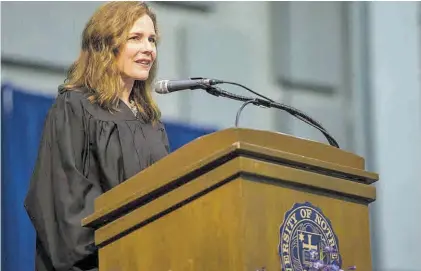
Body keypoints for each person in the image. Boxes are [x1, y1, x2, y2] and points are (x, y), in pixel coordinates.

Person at [24, 2, 170, 270]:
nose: (149, 49)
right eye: (135, 38)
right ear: (106, 43)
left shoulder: (151, 123)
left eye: (152, 40)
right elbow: (64, 201)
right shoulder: (75, 107)